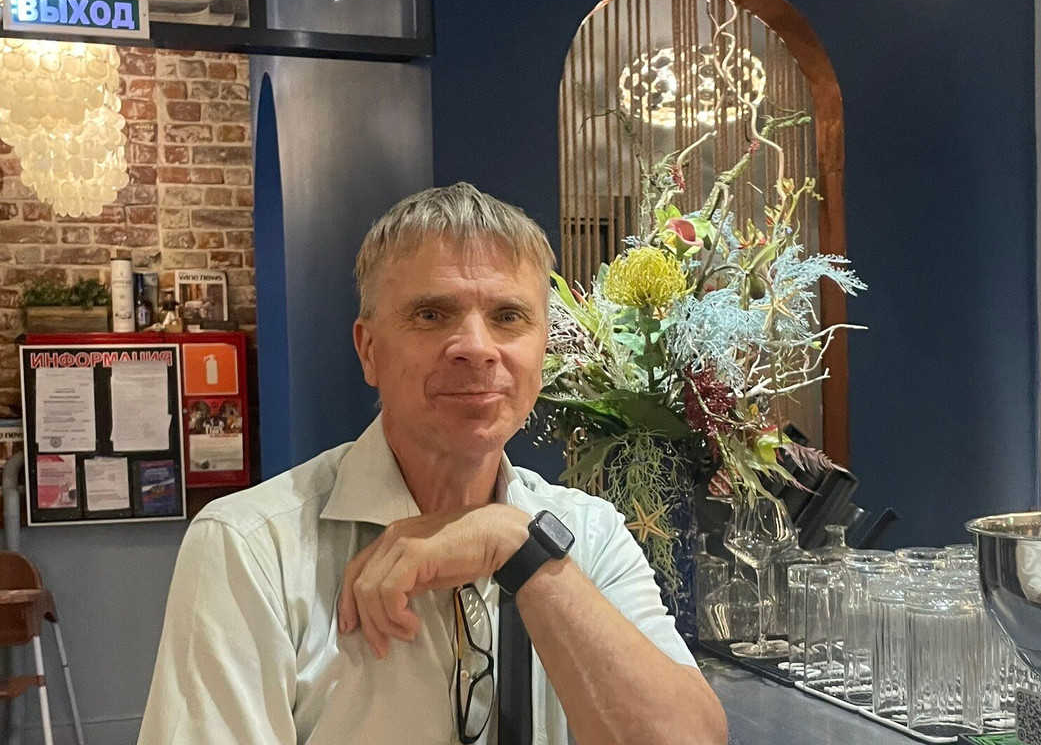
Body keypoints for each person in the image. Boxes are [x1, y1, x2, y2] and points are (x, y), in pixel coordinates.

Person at [137, 183, 727, 745]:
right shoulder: (252, 549)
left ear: (542, 349)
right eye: (430, 315)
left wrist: (518, 548)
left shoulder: (589, 535)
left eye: (508, 316)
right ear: (369, 350)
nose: (477, 347)